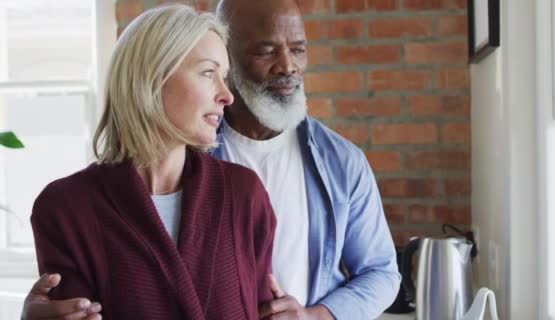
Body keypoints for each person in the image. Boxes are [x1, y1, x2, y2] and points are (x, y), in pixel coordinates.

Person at [21, 0, 401, 319]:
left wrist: (316, 316)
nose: (288, 66)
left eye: (298, 49)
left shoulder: (262, 186)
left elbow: (381, 271)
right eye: (265, 50)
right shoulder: (66, 208)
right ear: (152, 79)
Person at [26, 4, 276, 320]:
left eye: (224, 77)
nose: (227, 95)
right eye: (209, 73)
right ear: (153, 76)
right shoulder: (64, 209)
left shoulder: (245, 194)